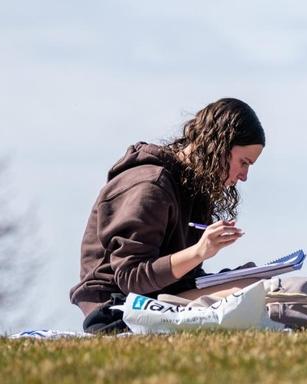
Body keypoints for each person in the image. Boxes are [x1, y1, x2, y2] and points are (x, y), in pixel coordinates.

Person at [70, 98, 266, 333]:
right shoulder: (151, 186)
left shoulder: (193, 187)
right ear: (218, 146)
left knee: (256, 287)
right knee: (255, 292)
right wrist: (198, 252)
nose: (244, 176)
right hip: (115, 309)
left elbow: (176, 277)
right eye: (243, 162)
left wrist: (229, 276)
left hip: (156, 299)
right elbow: (131, 278)